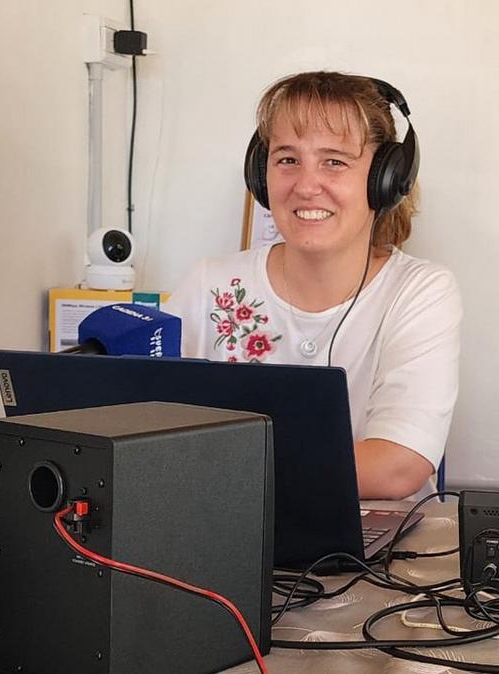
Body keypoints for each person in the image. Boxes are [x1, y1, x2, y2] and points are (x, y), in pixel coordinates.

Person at [167, 71, 461, 500]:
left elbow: (398, 466)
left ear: (385, 179)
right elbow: (139, 426)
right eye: (287, 159)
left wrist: (216, 468)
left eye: (335, 161)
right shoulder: (210, 284)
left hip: (375, 558)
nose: (306, 186)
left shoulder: (420, 293)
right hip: (219, 539)